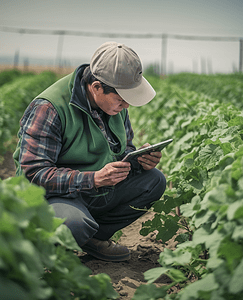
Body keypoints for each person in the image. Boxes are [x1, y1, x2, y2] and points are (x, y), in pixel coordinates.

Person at [13, 41, 166, 262]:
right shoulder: (49, 108)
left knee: (154, 181)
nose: (126, 106)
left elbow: (123, 149)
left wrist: (137, 159)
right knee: (74, 223)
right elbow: (35, 174)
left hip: (93, 189)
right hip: (53, 196)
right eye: (122, 99)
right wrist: (93, 178)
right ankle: (45, 249)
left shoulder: (114, 106)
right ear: (96, 87)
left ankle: (93, 239)